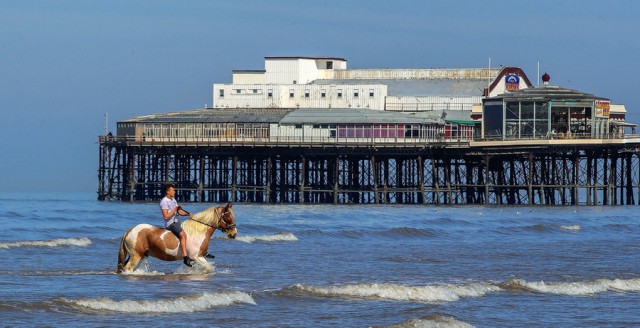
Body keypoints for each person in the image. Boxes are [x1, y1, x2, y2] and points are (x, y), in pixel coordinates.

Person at [160, 184, 194, 267]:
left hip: (176, 221)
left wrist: (188, 214)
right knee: (183, 235)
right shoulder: (164, 201)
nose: (174, 191)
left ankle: (197, 251)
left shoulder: (173, 200)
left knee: (190, 231)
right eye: (173, 190)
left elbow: (179, 212)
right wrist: (175, 209)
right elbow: (166, 216)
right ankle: (185, 258)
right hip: (170, 223)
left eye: (174, 190)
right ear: (168, 191)